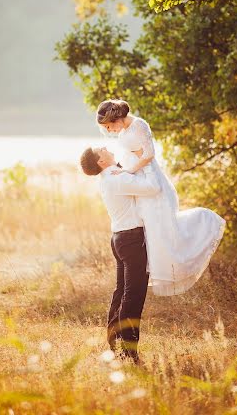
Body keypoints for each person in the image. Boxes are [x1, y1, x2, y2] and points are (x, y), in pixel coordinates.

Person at [96, 99, 226, 296]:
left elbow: (149, 155)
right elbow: (132, 156)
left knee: (164, 229)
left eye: (108, 126)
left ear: (115, 119)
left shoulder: (139, 125)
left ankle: (201, 228)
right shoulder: (123, 132)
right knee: (153, 232)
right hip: (141, 183)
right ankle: (147, 272)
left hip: (152, 183)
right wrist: (123, 171)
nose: (109, 131)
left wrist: (127, 172)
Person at [80, 145, 161, 364]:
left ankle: (115, 341)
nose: (106, 147)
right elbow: (153, 188)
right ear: (100, 162)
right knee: (133, 296)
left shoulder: (109, 178)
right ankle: (128, 350)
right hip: (132, 240)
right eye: (101, 150)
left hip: (120, 238)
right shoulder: (117, 179)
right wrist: (148, 163)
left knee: (122, 292)